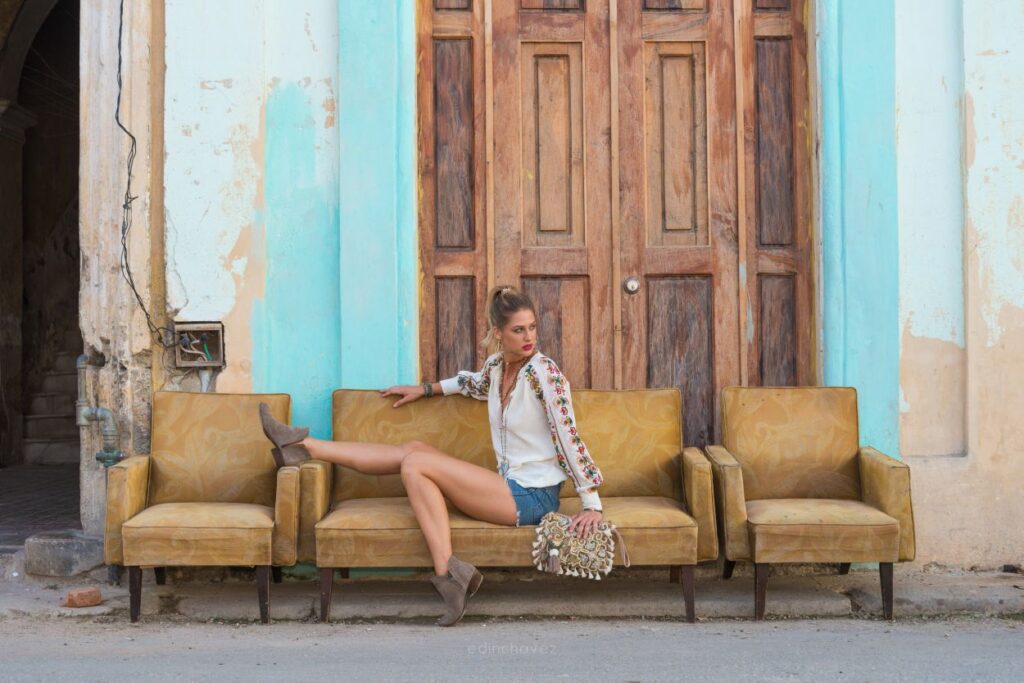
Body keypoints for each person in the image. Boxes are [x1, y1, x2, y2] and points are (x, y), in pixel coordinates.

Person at [257, 285, 604, 626]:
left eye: (531, 328)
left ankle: (448, 575)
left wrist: (591, 503)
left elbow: (567, 435)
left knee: (416, 465)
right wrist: (425, 390)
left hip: (533, 498)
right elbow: (470, 383)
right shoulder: (498, 367)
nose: (529, 337)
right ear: (498, 333)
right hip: (509, 486)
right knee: (413, 451)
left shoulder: (546, 375)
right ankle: (303, 447)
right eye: (518, 329)